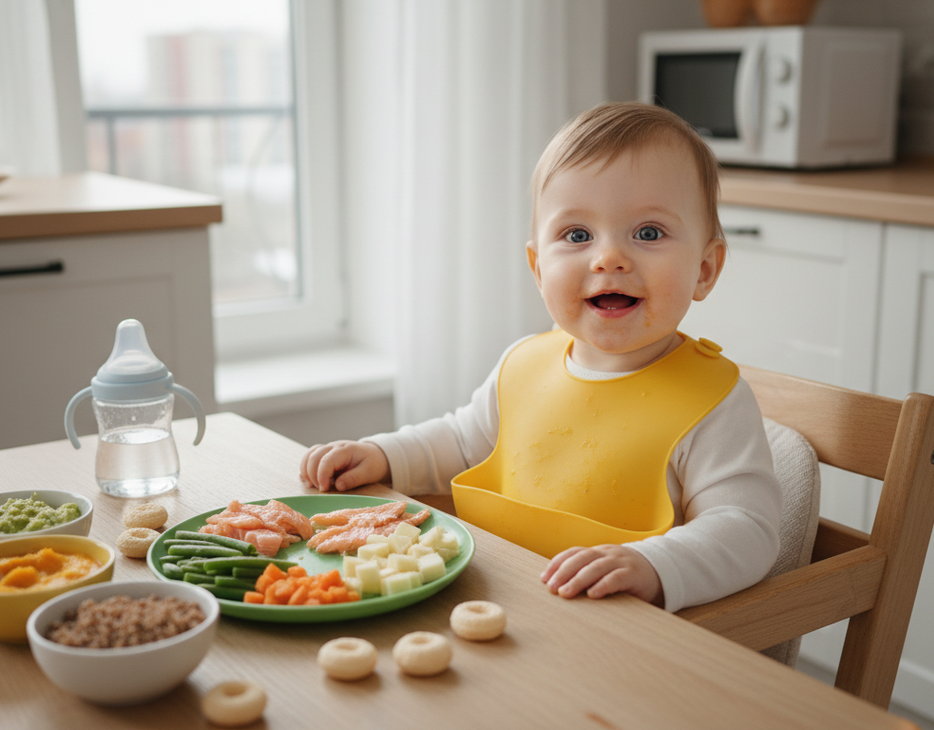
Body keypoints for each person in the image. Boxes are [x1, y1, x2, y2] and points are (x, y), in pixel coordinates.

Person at [299, 101, 781, 613]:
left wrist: (653, 564)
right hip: (493, 606)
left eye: (648, 233)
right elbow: (460, 442)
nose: (609, 258)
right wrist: (383, 455)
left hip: (609, 633)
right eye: (577, 235)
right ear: (538, 268)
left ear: (705, 269)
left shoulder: (714, 403)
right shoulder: (523, 365)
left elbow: (747, 530)